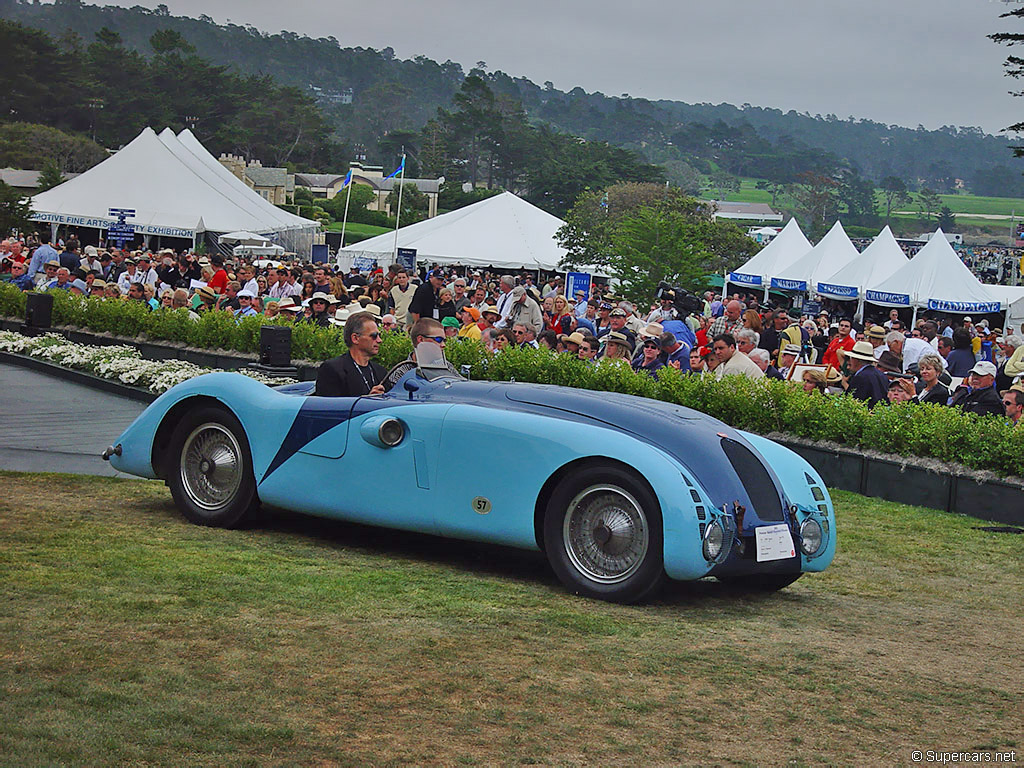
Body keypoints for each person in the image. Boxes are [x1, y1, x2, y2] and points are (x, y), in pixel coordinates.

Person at [315, 312, 387, 397]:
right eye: (374, 336)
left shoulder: (380, 372)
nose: (379, 340)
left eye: (379, 335)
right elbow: (329, 407)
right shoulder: (332, 370)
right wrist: (367, 401)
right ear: (355, 338)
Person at [381, 317, 460, 389]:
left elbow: (461, 387)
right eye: (439, 340)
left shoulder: (448, 367)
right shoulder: (401, 373)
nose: (443, 345)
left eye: (444, 340)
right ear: (421, 340)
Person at [839, 341, 889, 406]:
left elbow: (852, 402)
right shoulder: (882, 375)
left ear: (857, 360)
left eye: (851, 358)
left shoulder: (860, 377)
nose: (848, 361)